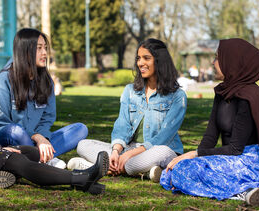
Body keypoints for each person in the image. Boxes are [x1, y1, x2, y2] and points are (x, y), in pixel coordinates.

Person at [0, 28, 108, 194]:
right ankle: (81, 179)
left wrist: (1, 148)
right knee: (16, 159)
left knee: (29, 153)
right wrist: (0, 149)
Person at [161, 38, 259, 205]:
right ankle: (252, 189)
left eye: (217, 58)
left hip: (251, 162)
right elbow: (210, 136)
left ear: (232, 62)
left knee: (183, 171)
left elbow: (236, 148)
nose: (213, 62)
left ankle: (247, 191)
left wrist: (195, 154)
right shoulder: (223, 92)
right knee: (180, 168)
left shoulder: (248, 97)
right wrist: (194, 156)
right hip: (229, 158)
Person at [67, 38, 187, 183]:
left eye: (146, 58)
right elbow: (122, 124)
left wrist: (129, 155)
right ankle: (144, 171)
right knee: (83, 145)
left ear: (159, 61)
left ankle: (95, 167)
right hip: (130, 149)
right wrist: (117, 152)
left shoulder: (177, 96)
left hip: (159, 150)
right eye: (138, 58)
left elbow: (164, 137)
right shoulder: (130, 91)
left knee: (162, 152)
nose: (140, 63)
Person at [0, 28, 88, 169]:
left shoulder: (46, 80)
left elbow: (47, 118)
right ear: (25, 51)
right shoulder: (3, 80)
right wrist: (36, 136)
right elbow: (1, 125)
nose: (44, 53)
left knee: (80, 129)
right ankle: (44, 158)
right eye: (39, 48)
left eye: (45, 48)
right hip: (10, 139)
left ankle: (38, 158)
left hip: (37, 141)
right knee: (15, 131)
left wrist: (42, 138)